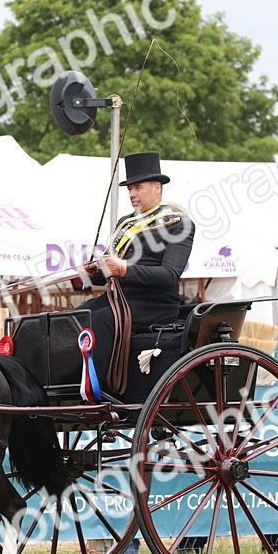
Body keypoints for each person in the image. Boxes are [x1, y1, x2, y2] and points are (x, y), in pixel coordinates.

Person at [80, 152, 195, 391]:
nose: (132, 194)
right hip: (119, 299)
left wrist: (124, 269)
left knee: (102, 321)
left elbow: (170, 275)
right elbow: (109, 272)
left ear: (156, 187)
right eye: (130, 188)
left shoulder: (178, 223)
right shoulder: (126, 223)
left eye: (138, 188)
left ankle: (100, 390)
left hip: (156, 304)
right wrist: (95, 272)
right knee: (77, 316)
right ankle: (74, 383)